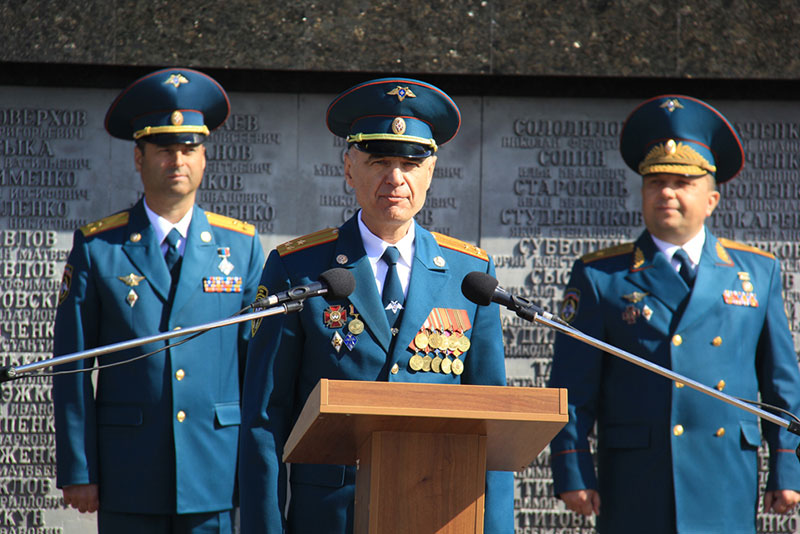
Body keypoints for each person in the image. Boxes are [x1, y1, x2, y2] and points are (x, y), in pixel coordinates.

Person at [239, 77, 514, 533]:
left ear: (431, 173)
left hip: (438, 512)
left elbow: (493, 421)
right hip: (330, 519)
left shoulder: (470, 276)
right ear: (349, 169)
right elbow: (264, 419)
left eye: (411, 164)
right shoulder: (299, 269)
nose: (396, 179)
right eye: (379, 161)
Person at [548, 94, 800, 533]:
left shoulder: (757, 272)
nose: (666, 192)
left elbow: (782, 384)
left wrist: (788, 466)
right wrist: (572, 468)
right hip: (637, 480)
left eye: (682, 182)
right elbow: (570, 389)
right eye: (655, 181)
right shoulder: (600, 276)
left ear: (712, 199)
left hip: (725, 476)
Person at [52, 68, 265, 533]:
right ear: (139, 157)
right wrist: (79, 468)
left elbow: (256, 367)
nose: (178, 160)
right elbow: (71, 367)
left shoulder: (241, 246)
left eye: (189, 149)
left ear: (204, 158)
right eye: (164, 149)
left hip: (214, 469)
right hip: (128, 472)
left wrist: (257, 466)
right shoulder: (99, 248)